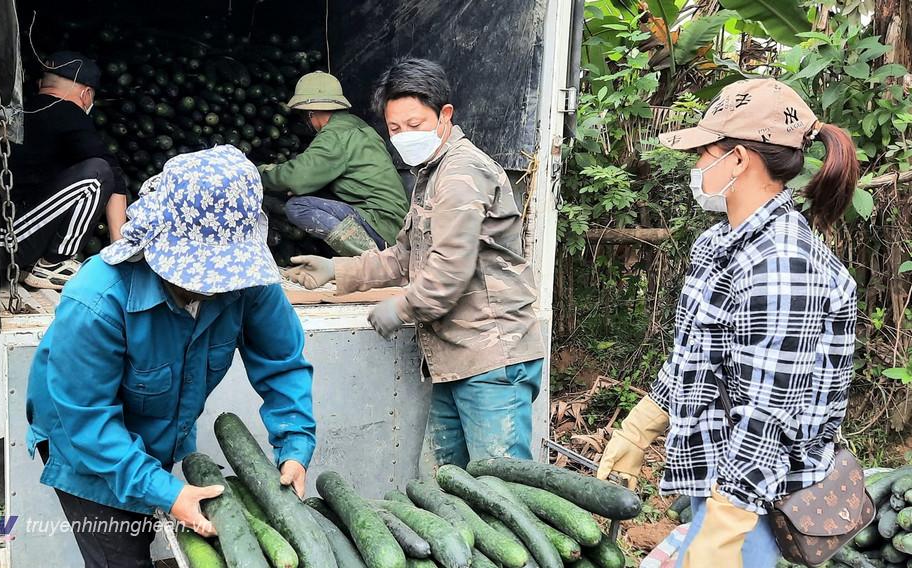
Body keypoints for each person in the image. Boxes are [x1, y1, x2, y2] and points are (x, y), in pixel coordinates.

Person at [596, 79, 860, 568]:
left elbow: (769, 413)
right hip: (718, 475)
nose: (696, 167)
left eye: (704, 153)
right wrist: (641, 426)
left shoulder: (782, 263)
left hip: (754, 499)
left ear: (738, 159)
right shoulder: (720, 243)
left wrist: (724, 526)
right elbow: (697, 355)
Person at [25, 145, 315, 567]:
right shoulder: (97, 301)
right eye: (203, 274)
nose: (217, 286)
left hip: (155, 427)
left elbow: (282, 362)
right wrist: (167, 491)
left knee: (144, 525)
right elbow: (88, 421)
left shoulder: (248, 282)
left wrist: (295, 444)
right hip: (84, 441)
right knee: (121, 556)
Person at [285, 58, 545, 474]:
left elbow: (449, 271)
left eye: (414, 123)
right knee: (440, 487)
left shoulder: (461, 173)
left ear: (445, 115)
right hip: (453, 360)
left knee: (502, 492)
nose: (404, 135)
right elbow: (404, 255)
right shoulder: (430, 174)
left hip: (492, 359)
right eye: (395, 128)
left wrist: (401, 308)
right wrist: (338, 270)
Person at [6, 51, 128, 290]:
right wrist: (119, 248)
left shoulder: (21, 111)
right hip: (14, 239)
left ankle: (34, 264)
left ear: (42, 84)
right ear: (86, 94)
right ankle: (53, 263)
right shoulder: (68, 114)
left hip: (3, 235)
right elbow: (114, 177)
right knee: (99, 173)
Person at [259, 71, 409, 256]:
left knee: (297, 207)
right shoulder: (356, 125)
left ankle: (373, 259)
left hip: (381, 224)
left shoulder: (335, 135)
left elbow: (296, 177)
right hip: (396, 224)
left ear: (311, 114)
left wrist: (257, 174)